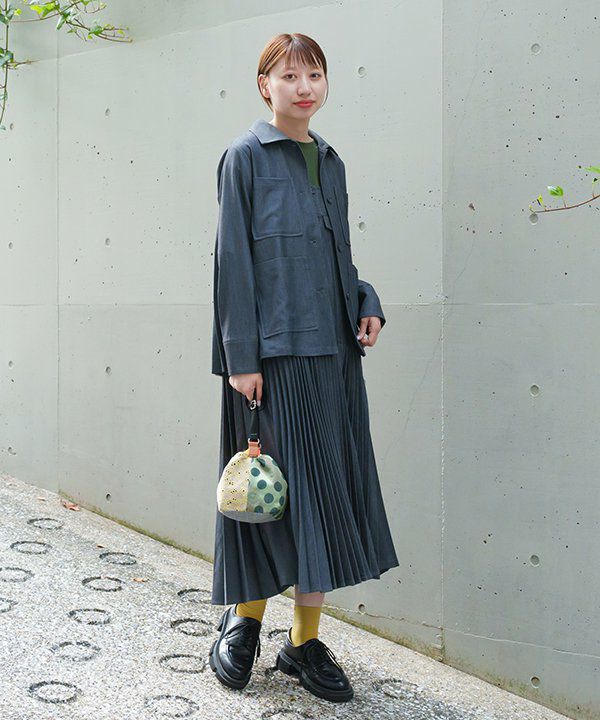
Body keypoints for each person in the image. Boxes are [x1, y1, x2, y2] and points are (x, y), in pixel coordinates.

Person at [208, 32, 399, 703]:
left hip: (333, 358)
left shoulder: (331, 161)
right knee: (264, 495)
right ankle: (244, 622)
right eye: (289, 75)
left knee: (322, 497)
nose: (304, 87)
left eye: (314, 74)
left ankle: (303, 642)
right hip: (271, 359)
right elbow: (233, 261)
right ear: (265, 85)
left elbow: (336, 256)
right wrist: (240, 359)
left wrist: (366, 299)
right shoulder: (245, 157)